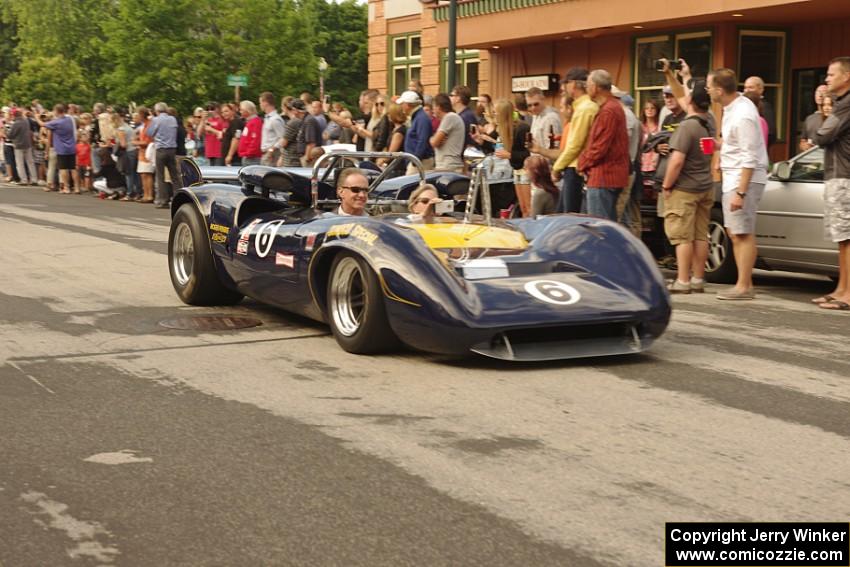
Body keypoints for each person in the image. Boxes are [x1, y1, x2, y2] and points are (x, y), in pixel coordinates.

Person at [707, 68, 770, 300]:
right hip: (734, 177)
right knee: (735, 231)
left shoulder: (743, 113)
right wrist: (719, 145)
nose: (707, 90)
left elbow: (750, 155)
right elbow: (736, 144)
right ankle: (743, 283)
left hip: (744, 180)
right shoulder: (732, 109)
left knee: (742, 232)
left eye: (709, 86)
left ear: (720, 90)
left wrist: (741, 193)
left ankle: (744, 285)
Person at [659, 79, 715, 294]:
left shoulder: (686, 126)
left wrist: (666, 184)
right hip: (705, 184)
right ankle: (698, 278)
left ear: (690, 100)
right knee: (701, 235)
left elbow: (677, 161)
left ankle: (682, 280)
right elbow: (708, 151)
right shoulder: (709, 122)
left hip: (684, 187)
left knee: (682, 236)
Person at [812, 56, 850, 311]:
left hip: (844, 175)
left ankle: (848, 295)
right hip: (839, 174)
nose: (826, 79)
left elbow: (822, 136)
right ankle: (841, 289)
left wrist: (819, 117)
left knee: (847, 237)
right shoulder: (840, 103)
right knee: (842, 237)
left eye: (831, 74)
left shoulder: (845, 104)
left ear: (846, 77)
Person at [577, 69, 630, 221]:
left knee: (600, 230)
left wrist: (582, 163)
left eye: (588, 85)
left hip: (603, 178)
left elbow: (599, 147)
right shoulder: (613, 107)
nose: (586, 89)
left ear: (595, 86)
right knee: (608, 227)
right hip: (610, 177)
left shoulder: (608, 111)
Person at [552, 67, 599, 213]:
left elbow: (575, 145)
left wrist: (556, 167)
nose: (564, 88)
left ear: (572, 84)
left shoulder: (585, 108)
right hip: (575, 166)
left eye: (566, 83)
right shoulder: (583, 107)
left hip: (576, 167)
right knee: (563, 211)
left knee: (570, 214)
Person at [147, 102, 183, 208]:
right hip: (172, 149)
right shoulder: (172, 119)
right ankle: (178, 198)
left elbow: (149, 133)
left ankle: (163, 200)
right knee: (175, 176)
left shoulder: (156, 120)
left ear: (156, 110)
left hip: (161, 149)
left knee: (160, 176)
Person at [44, 104, 80, 194]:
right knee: (73, 168)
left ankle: (66, 187)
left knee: (63, 168)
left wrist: (37, 117)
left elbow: (43, 124)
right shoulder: (69, 120)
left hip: (62, 148)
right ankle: (77, 187)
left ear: (56, 111)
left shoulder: (56, 122)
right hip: (71, 147)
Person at [399, 90, 434, 174]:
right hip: (417, 161)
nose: (401, 106)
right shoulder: (418, 117)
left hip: (420, 162)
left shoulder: (421, 118)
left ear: (408, 105)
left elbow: (422, 141)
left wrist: (415, 160)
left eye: (402, 104)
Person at [429, 93, 465, 173]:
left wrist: (431, 139)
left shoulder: (450, 117)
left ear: (438, 107)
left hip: (448, 166)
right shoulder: (450, 118)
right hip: (446, 165)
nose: (432, 110)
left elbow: (434, 142)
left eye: (433, 107)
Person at [526, 86, 562, 161]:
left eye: (536, 104)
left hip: (547, 165)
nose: (533, 108)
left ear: (543, 99)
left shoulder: (550, 118)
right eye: (529, 105)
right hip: (537, 163)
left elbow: (554, 148)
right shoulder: (536, 116)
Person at [743, 76, 776, 145]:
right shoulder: (742, 105)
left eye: (750, 87)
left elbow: (771, 133)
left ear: (760, 89)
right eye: (745, 88)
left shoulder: (765, 106)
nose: (747, 90)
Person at [9, 109, 36, 185]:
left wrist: (6, 132)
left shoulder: (16, 123)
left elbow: (11, 135)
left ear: (14, 115)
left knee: (20, 163)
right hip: (28, 144)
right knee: (30, 162)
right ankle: (34, 179)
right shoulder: (26, 121)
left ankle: (24, 180)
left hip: (19, 145)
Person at [133, 107, 155, 202]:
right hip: (142, 153)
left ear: (142, 114)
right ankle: (145, 195)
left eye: (138, 114)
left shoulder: (149, 125)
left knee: (148, 174)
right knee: (143, 174)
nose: (137, 116)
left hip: (148, 153)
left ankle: (149, 195)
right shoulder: (144, 125)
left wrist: (136, 142)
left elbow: (148, 141)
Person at [259, 92, 285, 166]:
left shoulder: (275, 119)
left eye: (261, 102)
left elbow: (282, 138)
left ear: (266, 103)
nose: (260, 105)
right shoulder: (267, 118)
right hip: (265, 154)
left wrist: (271, 150)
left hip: (272, 155)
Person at [800, 85, 828, 151]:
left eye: (823, 92)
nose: (820, 95)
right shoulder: (809, 118)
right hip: (810, 157)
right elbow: (803, 140)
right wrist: (804, 145)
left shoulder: (833, 117)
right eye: (818, 92)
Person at [235, 100, 263, 166]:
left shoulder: (256, 122)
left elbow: (256, 140)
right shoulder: (250, 122)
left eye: (241, 110)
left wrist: (248, 153)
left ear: (247, 110)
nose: (240, 112)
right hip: (247, 156)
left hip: (252, 158)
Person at [280, 99, 305, 167]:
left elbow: (283, 143)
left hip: (291, 160)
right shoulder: (300, 120)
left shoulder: (293, 122)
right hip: (296, 158)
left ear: (285, 108)